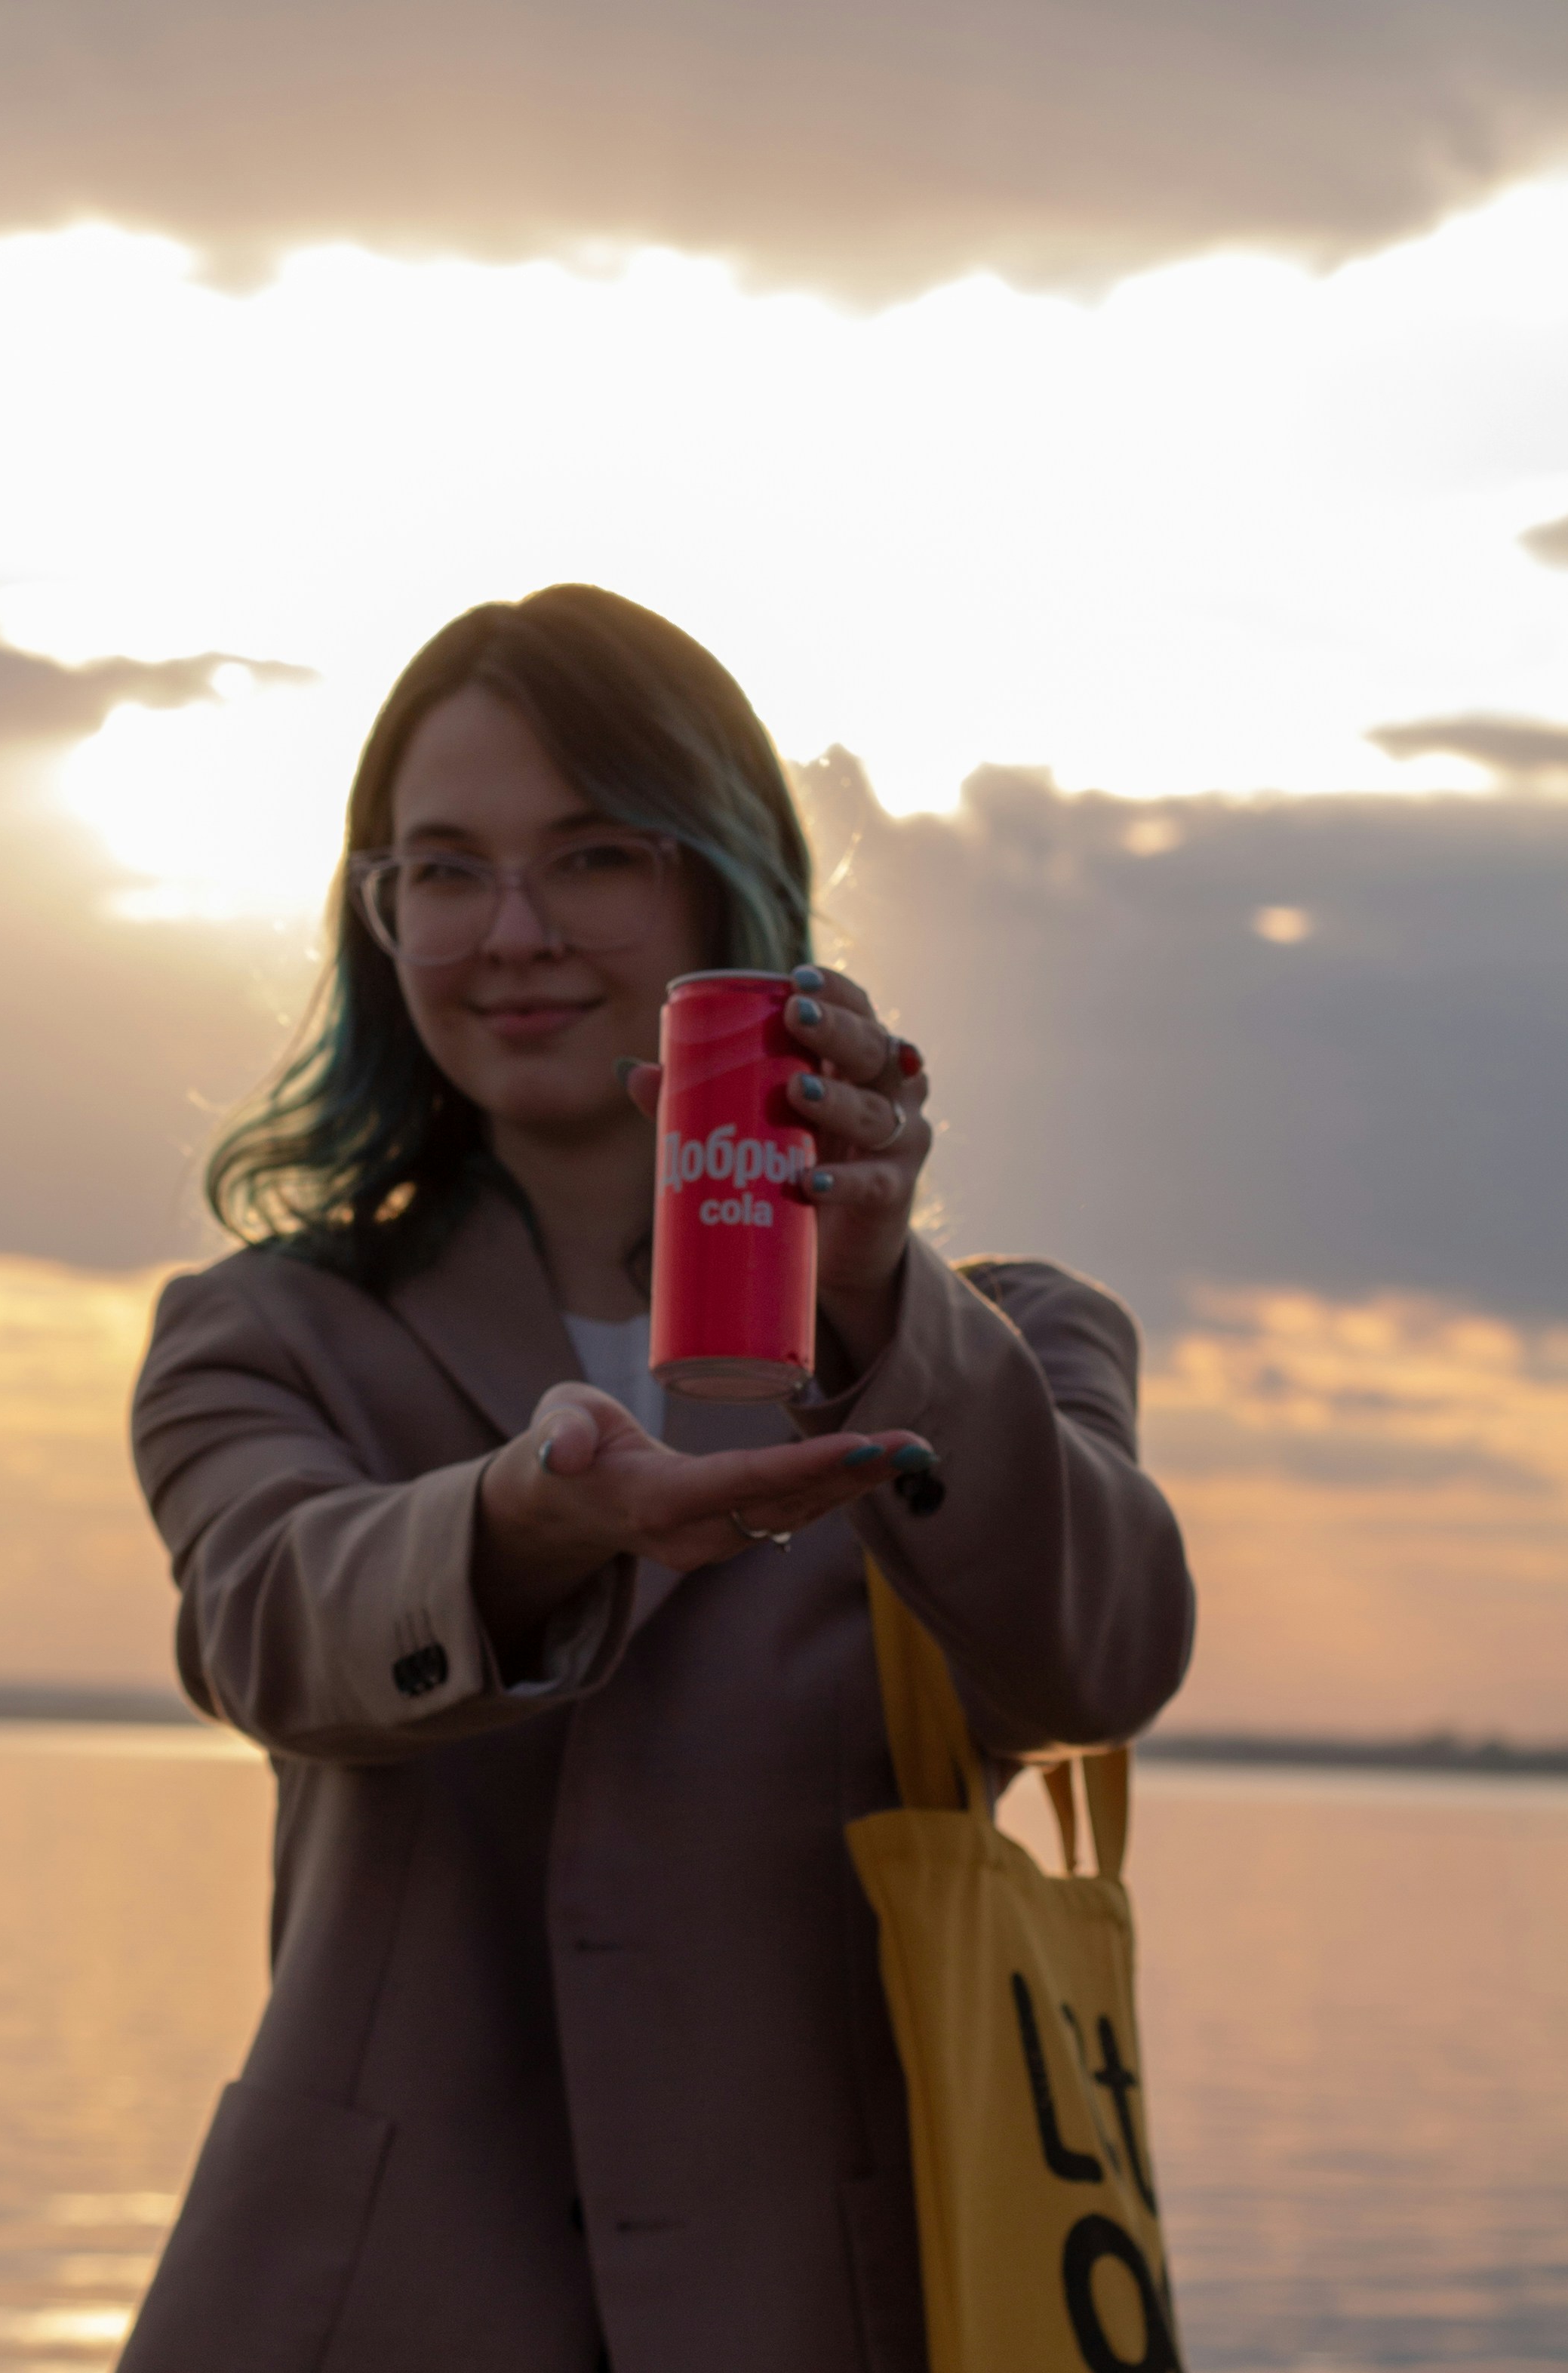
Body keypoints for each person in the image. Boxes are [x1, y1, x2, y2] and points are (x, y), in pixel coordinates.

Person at [119, 584, 1194, 2373]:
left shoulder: (997, 1341)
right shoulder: (272, 1330)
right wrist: (514, 1525)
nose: (512, 931)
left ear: (720, 884)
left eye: (594, 856)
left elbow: (1099, 1665)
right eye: (442, 869)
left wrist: (876, 1297)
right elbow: (264, 1625)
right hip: (364, 2308)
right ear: (378, 916)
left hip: (857, 2302)